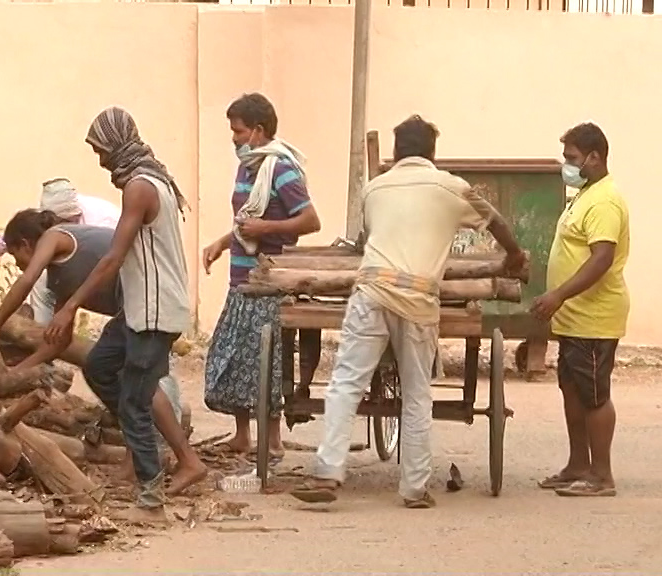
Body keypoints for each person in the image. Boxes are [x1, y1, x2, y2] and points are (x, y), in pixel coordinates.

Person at [291, 115, 527, 508]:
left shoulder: (374, 188)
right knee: (417, 393)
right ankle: (415, 488)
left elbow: (367, 237)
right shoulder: (452, 187)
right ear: (432, 153)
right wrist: (515, 256)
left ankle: (329, 473)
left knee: (346, 383)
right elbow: (496, 222)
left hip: (372, 290)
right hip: (419, 298)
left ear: (395, 152)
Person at [43, 106, 204, 522]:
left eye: (100, 149)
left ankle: (151, 498)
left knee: (134, 399)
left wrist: (70, 306)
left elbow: (113, 256)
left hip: (154, 309)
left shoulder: (140, 187)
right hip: (138, 306)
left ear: (115, 145)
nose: (99, 159)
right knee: (99, 365)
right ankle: (150, 449)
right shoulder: (148, 179)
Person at [0, 208, 203, 493]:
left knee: (142, 383)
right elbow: (59, 342)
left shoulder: (55, 238)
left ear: (25, 244)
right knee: (98, 367)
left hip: (152, 302)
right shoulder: (59, 275)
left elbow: (26, 281)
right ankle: (136, 453)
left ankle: (185, 461)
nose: (17, 264)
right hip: (133, 309)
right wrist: (16, 373)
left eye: (15, 255)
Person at [203, 93, 320, 458]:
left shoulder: (281, 169)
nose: (234, 138)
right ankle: (242, 435)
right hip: (241, 279)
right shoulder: (249, 167)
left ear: (258, 130)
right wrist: (223, 243)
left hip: (269, 281)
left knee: (263, 361)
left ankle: (272, 441)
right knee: (233, 355)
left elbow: (310, 220)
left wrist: (265, 228)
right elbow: (244, 223)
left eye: (238, 131)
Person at [533, 122, 629, 498]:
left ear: (595, 157)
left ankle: (601, 475)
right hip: (573, 317)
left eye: (572, 158)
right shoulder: (585, 194)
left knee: (593, 395)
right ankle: (577, 465)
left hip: (594, 316)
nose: (566, 165)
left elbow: (601, 258)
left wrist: (559, 294)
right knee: (572, 391)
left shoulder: (604, 200)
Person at [0, 178, 119, 326]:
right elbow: (2, 241)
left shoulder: (104, 222)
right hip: (86, 280)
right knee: (51, 281)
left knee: (42, 278)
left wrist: (72, 305)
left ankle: (39, 333)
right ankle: (41, 333)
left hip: (118, 279)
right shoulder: (47, 219)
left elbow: (28, 279)